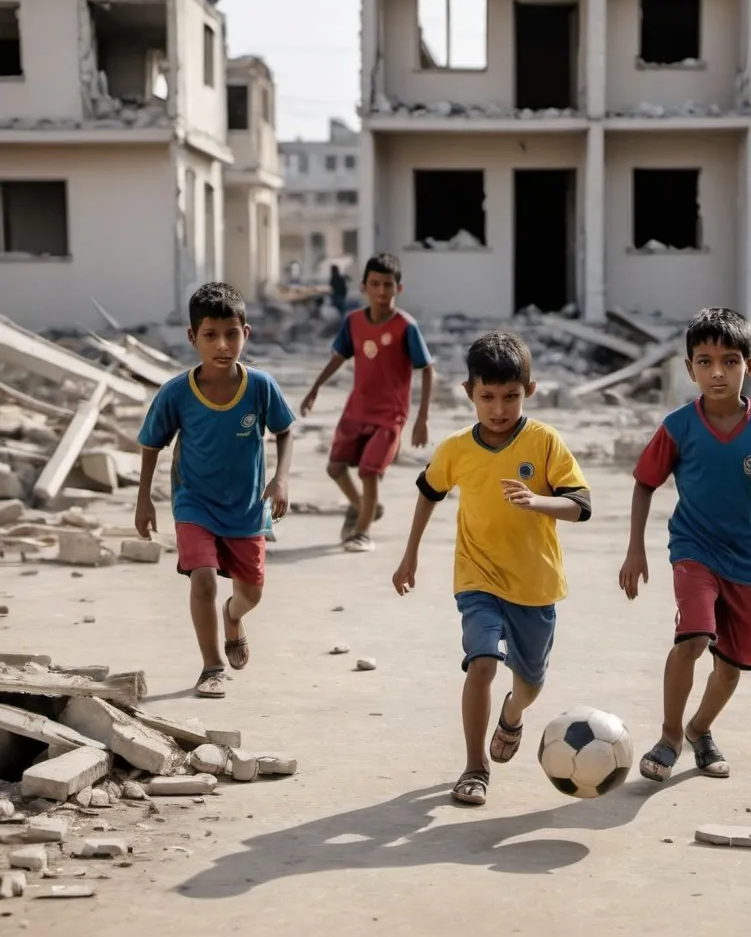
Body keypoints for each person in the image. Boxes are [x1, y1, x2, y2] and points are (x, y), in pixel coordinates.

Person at [392, 331, 591, 806]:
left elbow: (581, 505)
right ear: (469, 393)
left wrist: (538, 501)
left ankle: (513, 715)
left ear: (530, 391)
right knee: (481, 664)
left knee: (530, 684)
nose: (499, 408)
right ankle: (475, 767)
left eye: (510, 397)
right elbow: (428, 491)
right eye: (487, 397)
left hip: (536, 584)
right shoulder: (457, 448)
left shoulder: (545, 442)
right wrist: (410, 553)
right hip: (477, 578)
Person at [618, 306, 751, 782]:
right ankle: (668, 738)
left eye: (730, 361)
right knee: (695, 637)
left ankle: (699, 730)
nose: (717, 372)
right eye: (704, 361)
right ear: (689, 369)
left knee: (730, 667)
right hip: (693, 548)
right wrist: (635, 548)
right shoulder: (678, 426)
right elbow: (645, 483)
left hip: (747, 557)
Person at [135, 282, 296, 699]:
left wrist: (280, 478)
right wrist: (144, 500)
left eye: (231, 333)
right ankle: (211, 667)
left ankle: (233, 617)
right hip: (194, 502)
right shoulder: (176, 393)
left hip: (246, 508)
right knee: (202, 579)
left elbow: (285, 430)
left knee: (251, 594)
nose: (222, 344)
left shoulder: (260, 387)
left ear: (247, 332)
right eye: (210, 335)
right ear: (193, 338)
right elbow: (151, 443)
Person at [301, 253, 434, 553]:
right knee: (335, 467)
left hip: (389, 415)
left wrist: (421, 418)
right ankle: (364, 506)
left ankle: (362, 531)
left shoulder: (405, 327)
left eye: (388, 285)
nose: (382, 291)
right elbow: (339, 356)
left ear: (398, 289)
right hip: (357, 409)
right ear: (364, 287)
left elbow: (427, 369)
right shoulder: (354, 322)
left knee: (369, 471)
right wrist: (315, 388)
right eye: (375, 284)